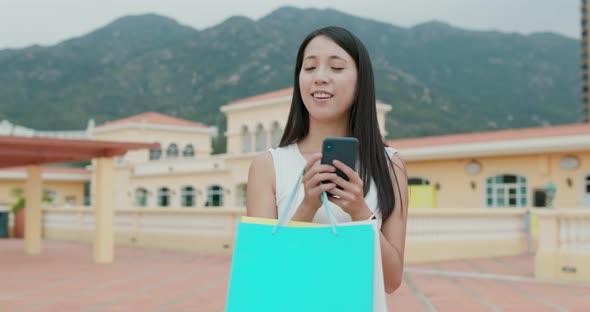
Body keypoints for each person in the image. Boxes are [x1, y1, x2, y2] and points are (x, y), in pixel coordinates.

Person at [246, 26, 409, 294]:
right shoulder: (268, 166)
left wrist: (359, 211)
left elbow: (391, 281)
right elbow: (264, 269)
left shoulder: (390, 166)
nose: (319, 77)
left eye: (336, 67)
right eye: (309, 68)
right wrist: (307, 206)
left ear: (360, 81)